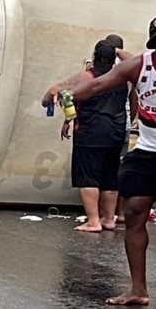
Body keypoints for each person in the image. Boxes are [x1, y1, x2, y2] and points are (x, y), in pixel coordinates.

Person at [44, 14, 156, 307]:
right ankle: (138, 290)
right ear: (154, 44)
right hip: (148, 152)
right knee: (135, 215)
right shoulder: (140, 65)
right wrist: (67, 95)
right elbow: (97, 85)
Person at [60, 41, 127, 232]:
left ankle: (93, 221)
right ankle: (109, 219)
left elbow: (69, 98)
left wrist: (68, 120)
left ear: (95, 56)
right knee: (110, 177)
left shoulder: (87, 76)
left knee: (87, 177)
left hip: (90, 132)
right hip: (116, 131)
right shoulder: (123, 79)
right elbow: (133, 101)